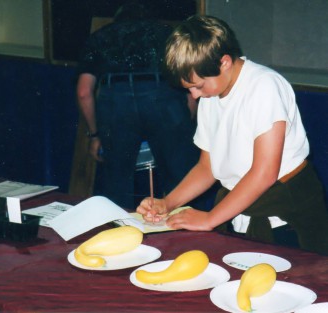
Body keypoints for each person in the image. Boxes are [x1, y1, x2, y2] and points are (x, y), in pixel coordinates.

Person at [137, 15, 328, 255]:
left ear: (224, 62)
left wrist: (210, 219)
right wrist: (168, 203)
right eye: (189, 89)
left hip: (285, 212)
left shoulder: (263, 86)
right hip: (238, 204)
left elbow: (264, 172)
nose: (195, 96)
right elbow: (207, 168)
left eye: (198, 85)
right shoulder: (212, 94)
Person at [76, 2, 207, 210]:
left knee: (117, 182)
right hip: (163, 96)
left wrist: (94, 135)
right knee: (179, 175)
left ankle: (120, 233)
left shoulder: (100, 37)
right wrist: (186, 119)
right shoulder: (168, 34)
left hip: (115, 101)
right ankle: (183, 233)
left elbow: (84, 92)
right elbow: (187, 78)